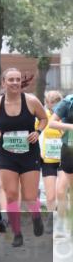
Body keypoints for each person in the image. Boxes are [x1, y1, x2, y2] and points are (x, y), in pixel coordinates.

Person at [0, 69, 50, 246]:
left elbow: (44, 119)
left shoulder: (31, 101)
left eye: (17, 80)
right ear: (3, 82)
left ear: (20, 82)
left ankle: (36, 217)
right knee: (12, 194)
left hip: (29, 154)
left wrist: (38, 132)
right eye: (10, 79)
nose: (14, 82)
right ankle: (16, 232)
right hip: (7, 155)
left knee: (29, 196)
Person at [39, 91, 64, 235]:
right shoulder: (42, 117)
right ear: (47, 103)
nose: (54, 105)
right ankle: (51, 217)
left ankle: (61, 221)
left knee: (61, 193)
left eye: (56, 102)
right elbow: (36, 134)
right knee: (50, 196)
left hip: (63, 160)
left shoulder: (65, 116)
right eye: (51, 102)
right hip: (48, 160)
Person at [50, 93, 73, 237]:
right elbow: (52, 123)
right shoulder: (68, 102)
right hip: (69, 149)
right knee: (62, 191)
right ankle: (64, 224)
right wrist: (70, 127)